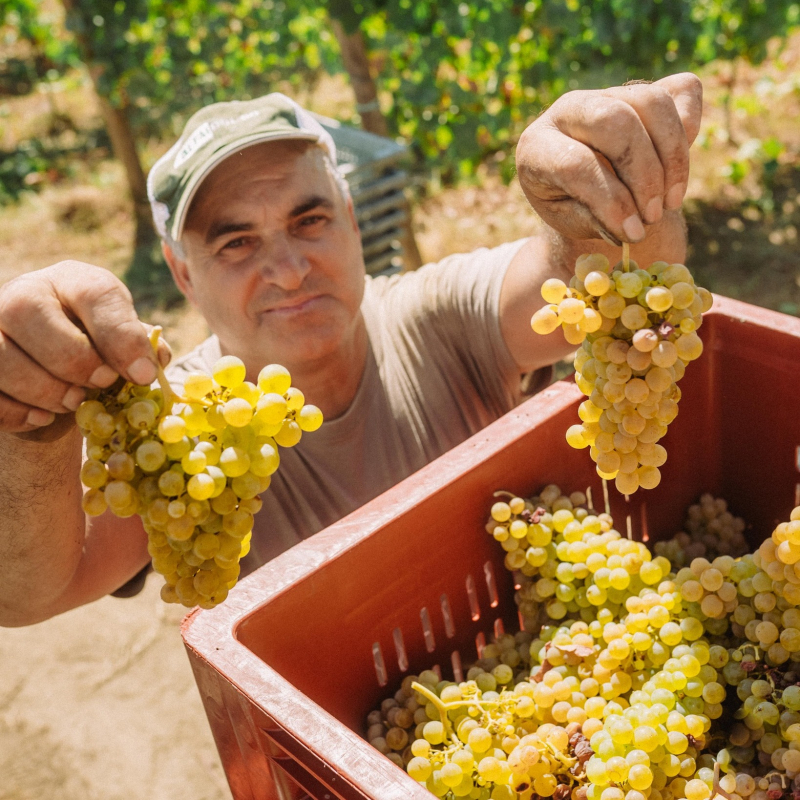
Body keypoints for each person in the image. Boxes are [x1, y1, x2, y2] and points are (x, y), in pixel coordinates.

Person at [0, 74, 702, 627]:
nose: (287, 269)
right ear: (181, 272)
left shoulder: (437, 314)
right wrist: (30, 423)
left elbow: (608, 277)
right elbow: (31, 594)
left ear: (351, 220)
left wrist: (610, 191)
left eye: (309, 220)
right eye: (235, 241)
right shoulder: (177, 431)